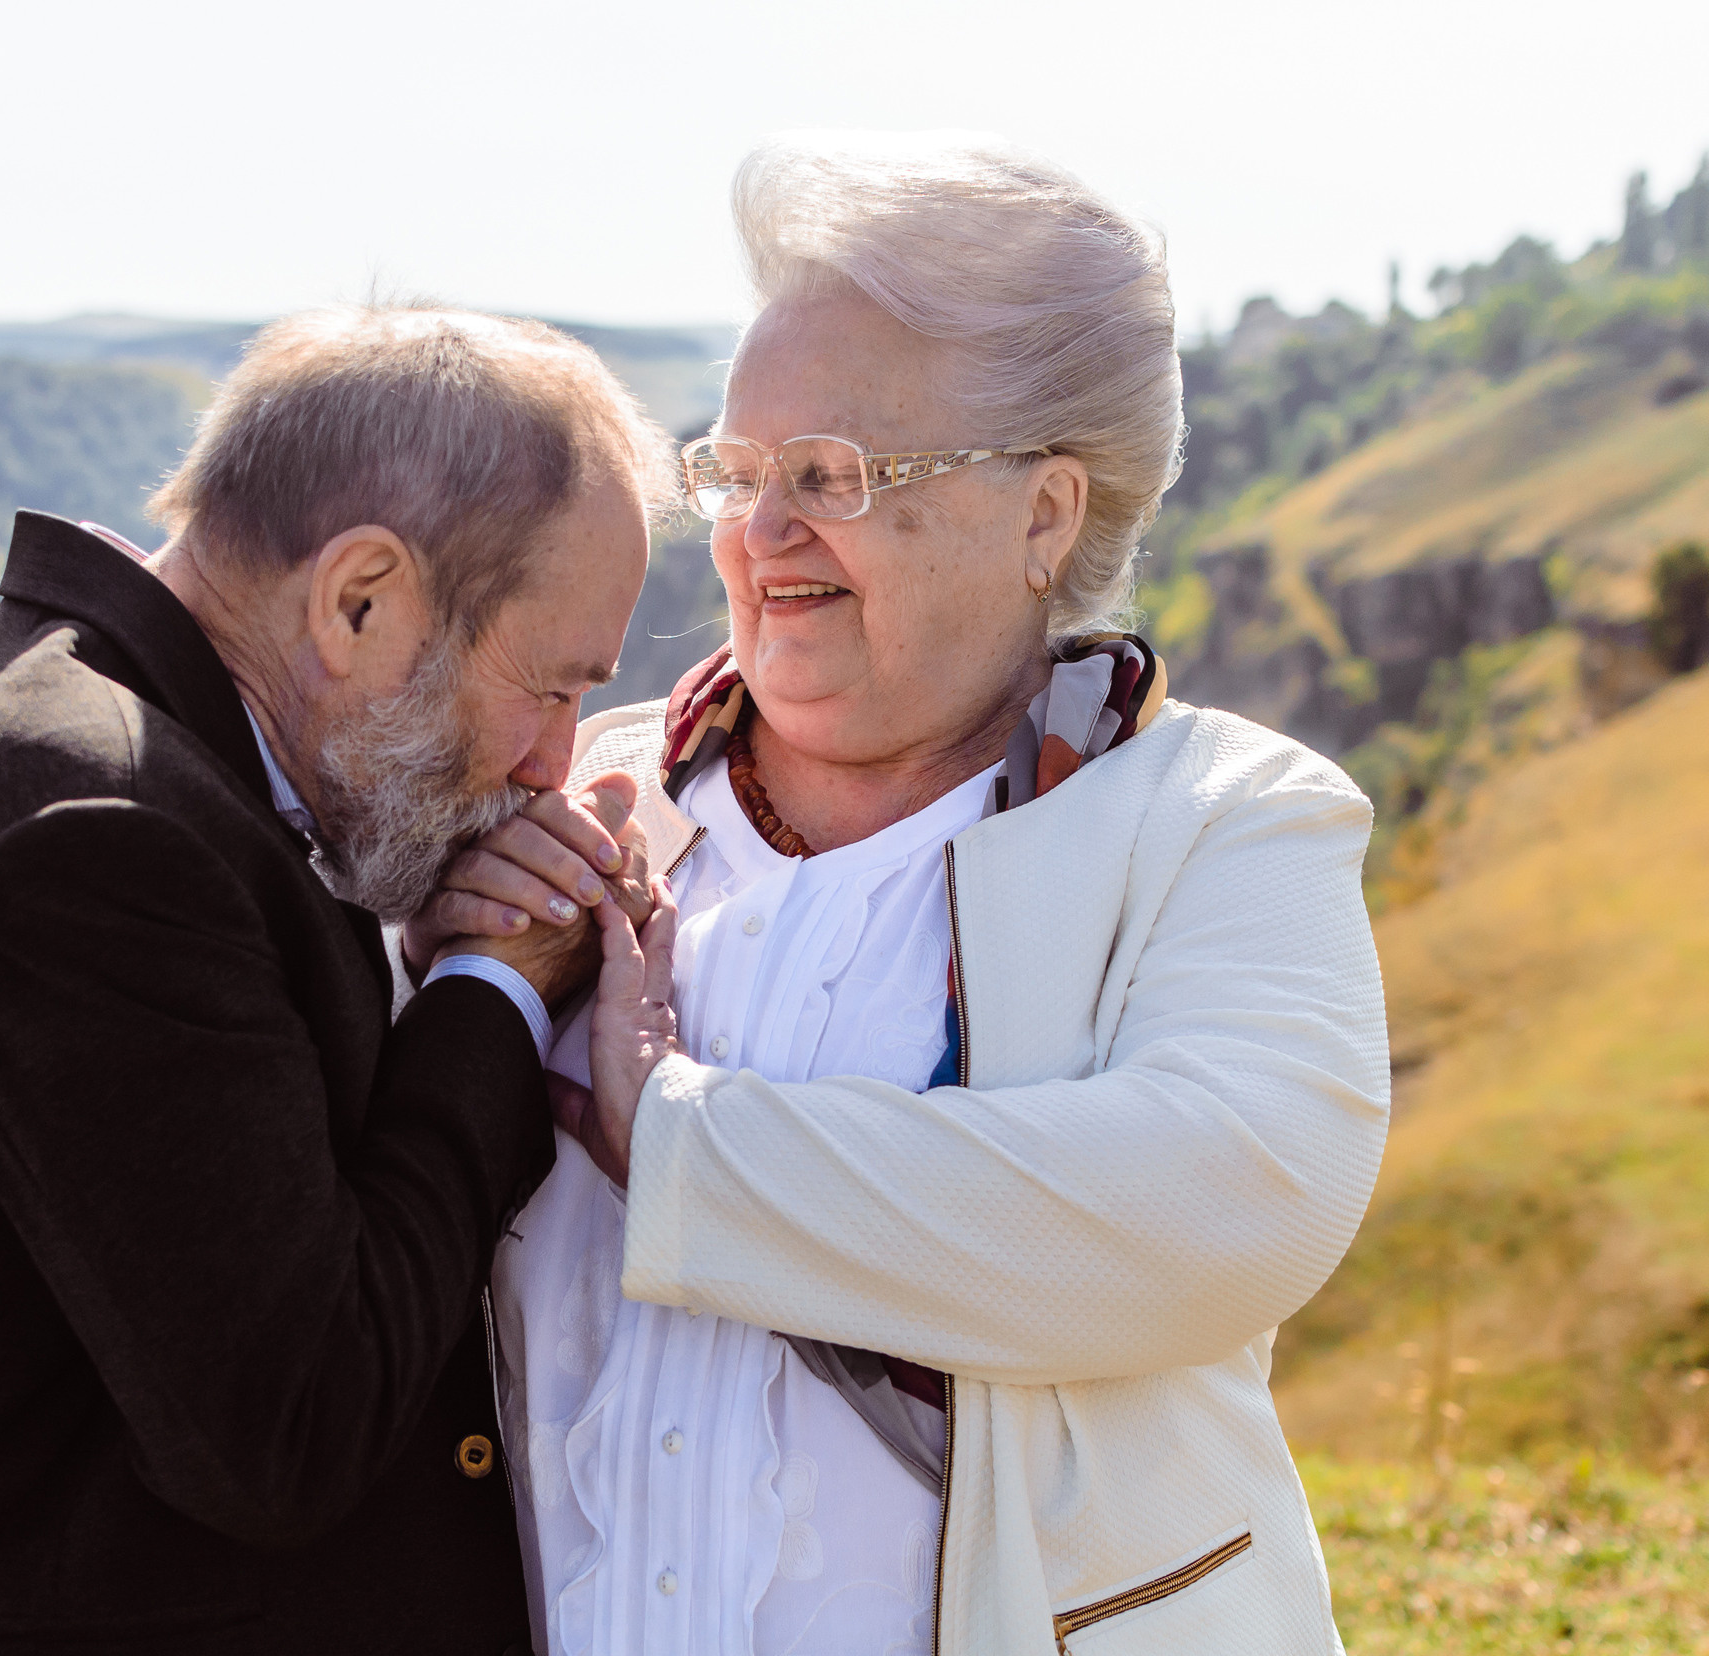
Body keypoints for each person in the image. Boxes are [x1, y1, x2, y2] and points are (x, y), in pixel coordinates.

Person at [421, 133, 1390, 1654]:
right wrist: (442, 970)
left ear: (1046, 514)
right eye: (738, 475)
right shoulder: (568, 803)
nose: (761, 533)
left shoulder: (1220, 824)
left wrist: (675, 1143)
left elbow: (1216, 1208)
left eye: (835, 476)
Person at [0, 303, 679, 1655]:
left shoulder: (76, 740)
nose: (554, 762)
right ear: (358, 598)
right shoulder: (95, 832)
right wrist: (490, 991)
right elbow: (287, 1423)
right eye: (550, 688)